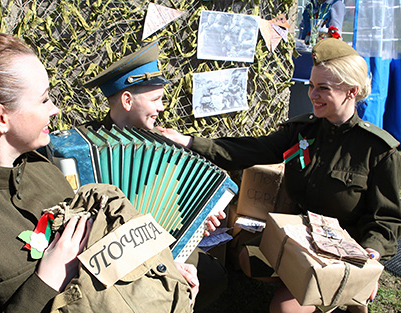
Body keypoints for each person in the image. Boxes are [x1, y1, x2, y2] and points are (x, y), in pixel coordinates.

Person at [0, 31, 197, 312]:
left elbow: (97, 259)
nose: (55, 110)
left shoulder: (41, 169)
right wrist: (45, 282)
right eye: (44, 100)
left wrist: (158, 273)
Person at [158, 38, 401, 313]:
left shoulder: (378, 149)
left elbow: (386, 219)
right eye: (311, 86)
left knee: (284, 309)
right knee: (248, 260)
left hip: (346, 253)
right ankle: (322, 291)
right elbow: (253, 149)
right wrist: (190, 142)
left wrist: (369, 259)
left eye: (323, 88)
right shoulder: (303, 131)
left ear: (351, 92)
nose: (312, 95)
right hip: (305, 241)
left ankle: (347, 295)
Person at [79, 41, 228, 312]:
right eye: (156, 99)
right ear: (127, 100)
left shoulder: (167, 145)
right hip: (109, 256)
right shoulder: (83, 149)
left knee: (213, 276)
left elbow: (179, 204)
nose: (162, 108)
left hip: (166, 243)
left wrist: (200, 220)